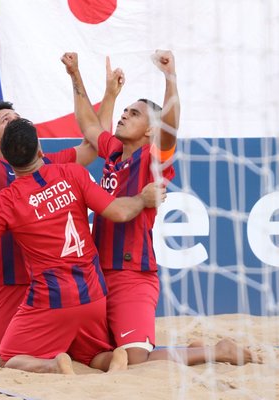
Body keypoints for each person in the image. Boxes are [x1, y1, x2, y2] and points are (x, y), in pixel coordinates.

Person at [63, 51, 258, 365]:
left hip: (132, 275)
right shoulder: (114, 152)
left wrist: (170, 77)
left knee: (135, 359)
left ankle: (218, 351)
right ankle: (194, 348)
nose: (124, 115)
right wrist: (75, 74)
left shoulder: (155, 158)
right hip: (97, 273)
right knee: (98, 354)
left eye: (134, 114)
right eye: (125, 110)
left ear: (150, 130)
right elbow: (88, 125)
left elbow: (171, 127)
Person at [0, 118, 165, 373]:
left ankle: (53, 365)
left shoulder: (7, 200)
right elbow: (119, 211)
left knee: (6, 360)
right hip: (93, 296)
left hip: (50, 301)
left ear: (5, 158)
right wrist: (142, 198)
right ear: (40, 149)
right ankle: (112, 358)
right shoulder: (72, 173)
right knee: (90, 355)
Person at [0, 46, 110, 363]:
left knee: (84, 354)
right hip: (8, 283)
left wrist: (77, 77)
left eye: (17, 118)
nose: (15, 122)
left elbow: (93, 145)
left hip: (50, 287)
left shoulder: (47, 164)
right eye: (6, 120)